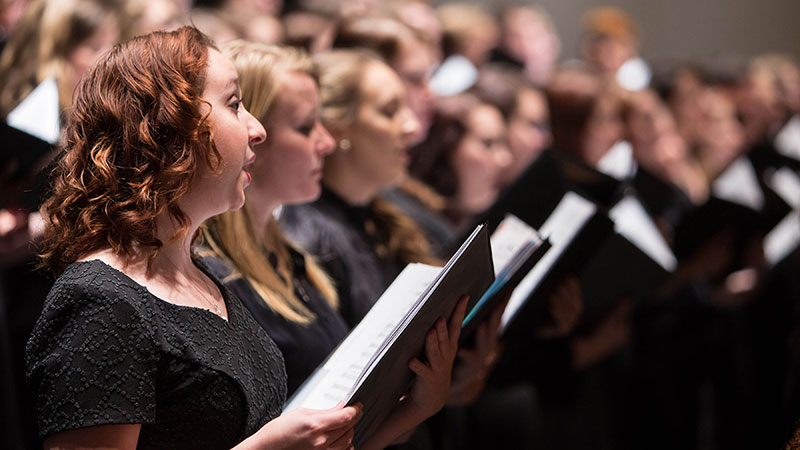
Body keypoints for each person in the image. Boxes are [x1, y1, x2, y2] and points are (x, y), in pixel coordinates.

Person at [26, 26, 364, 450]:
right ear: (165, 127)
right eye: (235, 105)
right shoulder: (100, 301)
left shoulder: (200, 278)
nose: (256, 129)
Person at [198, 41, 466, 450]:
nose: (326, 142)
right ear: (254, 135)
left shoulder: (292, 257)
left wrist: (417, 406)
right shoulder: (214, 278)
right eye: (306, 127)